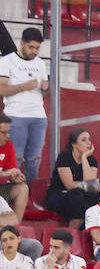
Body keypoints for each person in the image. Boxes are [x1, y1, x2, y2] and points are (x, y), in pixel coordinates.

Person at [0, 27, 47, 182]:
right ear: (22, 43)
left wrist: (46, 88)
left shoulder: (40, 63)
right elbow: (2, 89)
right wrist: (24, 86)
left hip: (39, 116)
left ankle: (28, 195)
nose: (34, 51)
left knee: (34, 160)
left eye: (37, 48)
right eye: (31, 47)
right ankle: (12, 196)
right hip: (16, 115)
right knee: (16, 160)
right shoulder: (7, 61)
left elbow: (45, 93)